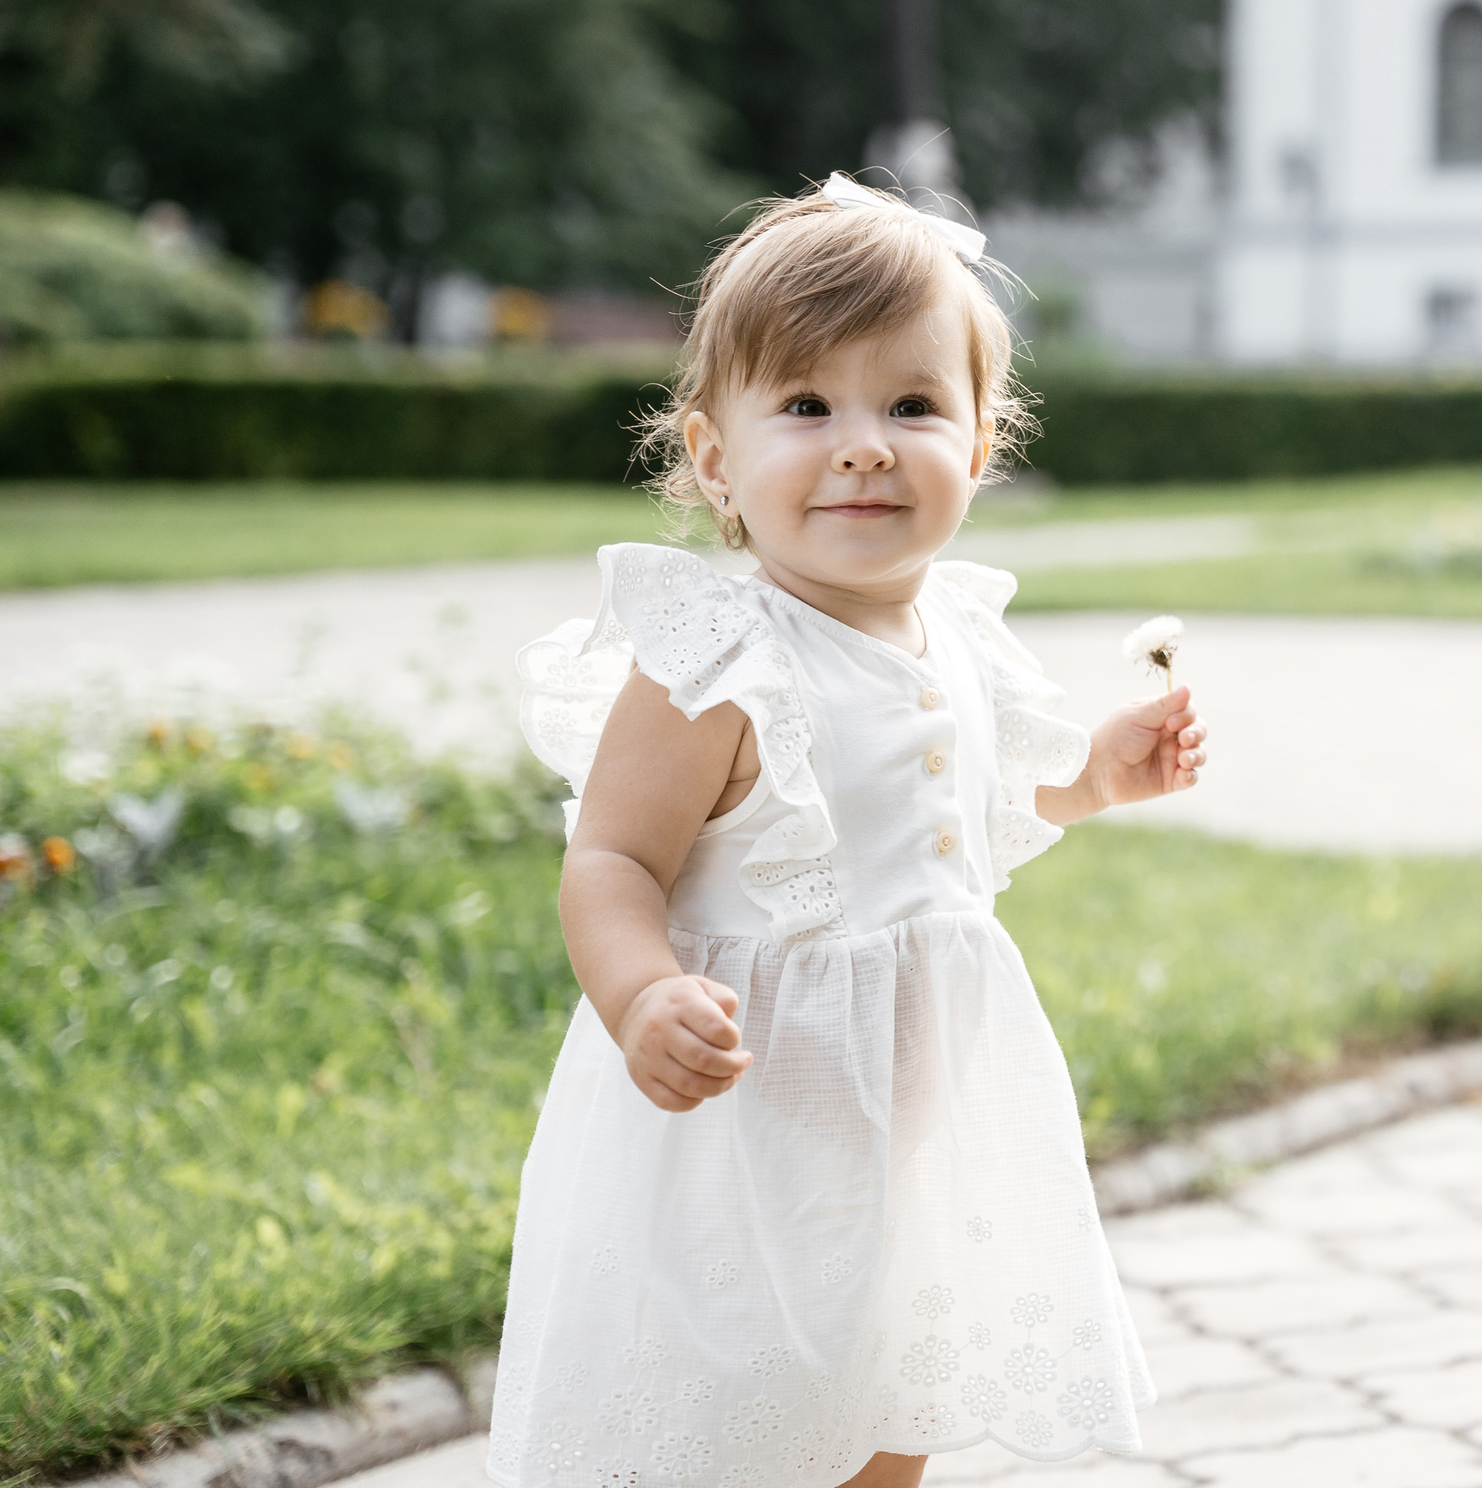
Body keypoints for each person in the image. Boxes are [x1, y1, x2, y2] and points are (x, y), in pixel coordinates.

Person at [485, 176, 1206, 1488]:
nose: (865, 444)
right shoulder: (716, 663)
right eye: (808, 406)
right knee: (731, 1418)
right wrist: (643, 997)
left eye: (915, 405)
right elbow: (612, 862)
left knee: (891, 1394)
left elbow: (976, 809)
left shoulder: (962, 638)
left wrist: (1096, 777)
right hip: (738, 1140)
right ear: (716, 460)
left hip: (911, 1127)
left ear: (983, 447)